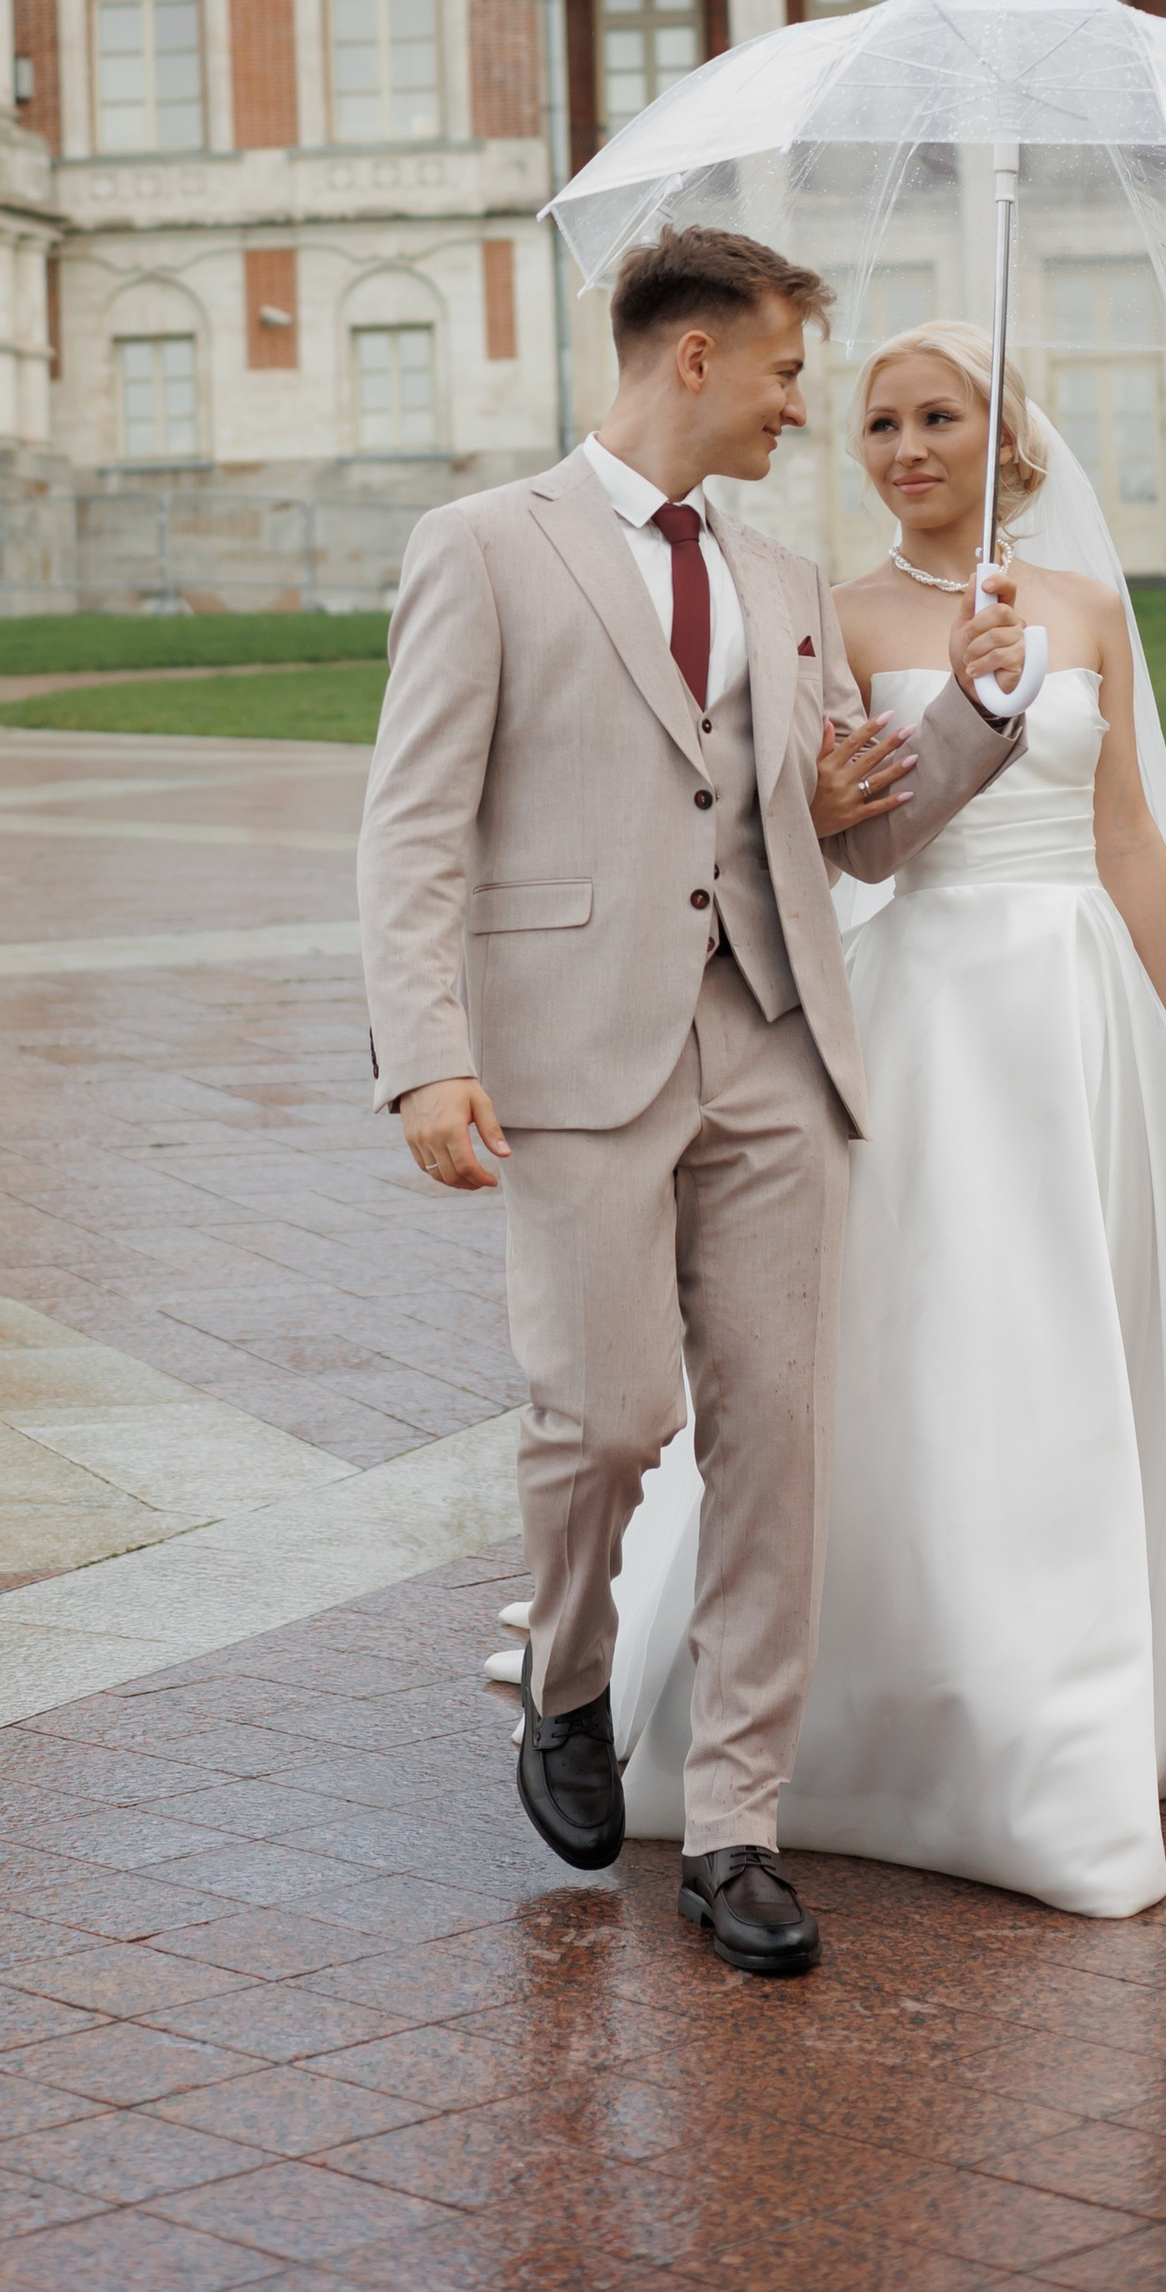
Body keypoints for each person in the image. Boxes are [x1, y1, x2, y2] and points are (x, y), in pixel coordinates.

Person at [360, 229, 1028, 1976]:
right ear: (699, 362)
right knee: (605, 1421)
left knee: (774, 1442)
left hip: (775, 1038)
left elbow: (853, 832)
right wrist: (426, 1050)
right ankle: (570, 1676)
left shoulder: (790, 578)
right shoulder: (486, 548)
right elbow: (413, 826)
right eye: (796, 372)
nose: (814, 407)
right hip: (573, 1052)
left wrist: (977, 708)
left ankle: (738, 1824)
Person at [599, 326, 1166, 1919]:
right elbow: (857, 858)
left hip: (1074, 1014)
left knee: (1072, 1334)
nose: (907, 446)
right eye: (880, 423)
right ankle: (882, 1703)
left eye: (938, 416)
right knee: (910, 1333)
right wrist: (900, 754)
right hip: (924, 1011)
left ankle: (1082, 1696)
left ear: (1004, 432)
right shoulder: (833, 624)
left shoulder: (1091, 613)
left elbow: (1128, 844)